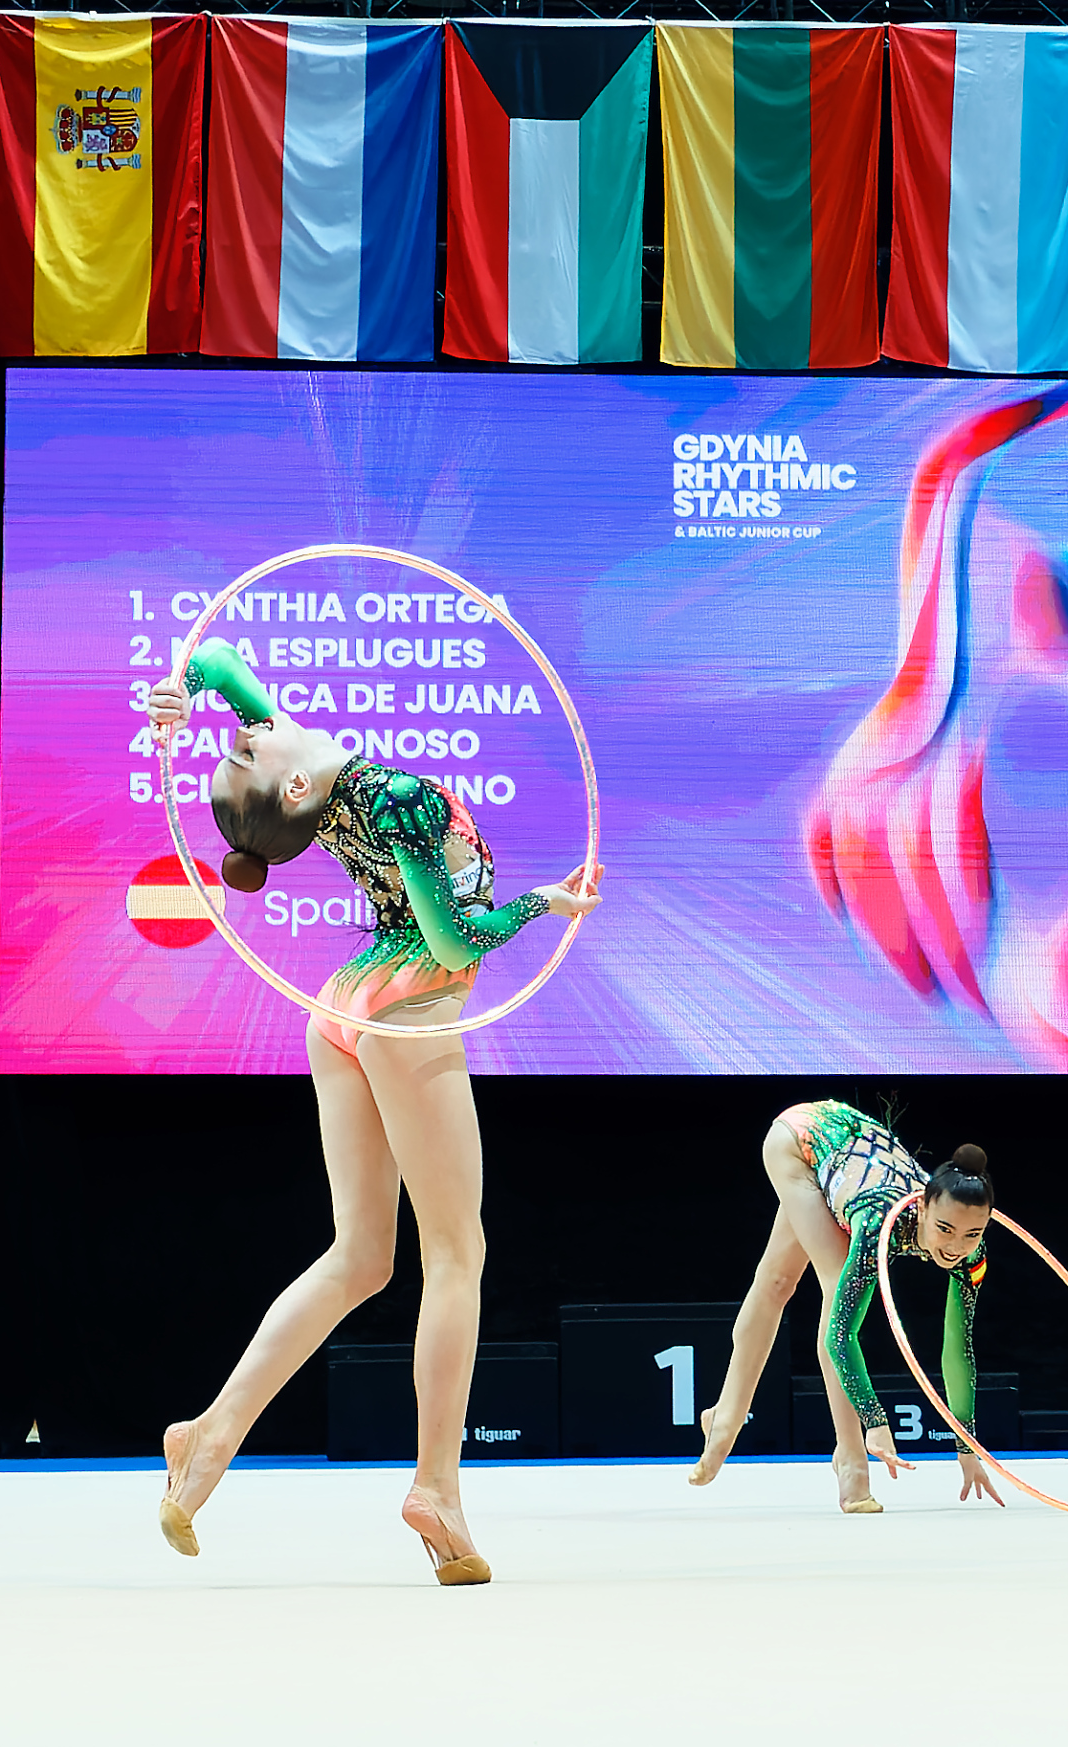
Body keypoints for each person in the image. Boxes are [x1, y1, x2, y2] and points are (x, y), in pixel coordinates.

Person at [149, 639, 601, 1585]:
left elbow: (221, 660)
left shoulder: (302, 768)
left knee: (359, 1256)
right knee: (457, 1253)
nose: (247, 729)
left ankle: (208, 1436)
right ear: (292, 787)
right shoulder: (392, 798)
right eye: (242, 746)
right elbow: (454, 939)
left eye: (237, 739)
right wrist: (542, 903)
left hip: (347, 1005)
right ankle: (437, 1487)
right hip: (409, 1011)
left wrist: (179, 692)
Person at [687, 1103, 1003, 1513]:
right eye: (945, 1229)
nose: (956, 1246)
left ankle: (723, 1415)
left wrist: (967, 1447)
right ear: (924, 1208)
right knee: (836, 1285)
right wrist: (875, 1421)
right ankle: (850, 1459)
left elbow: (956, 1350)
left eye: (972, 1233)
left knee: (778, 1280)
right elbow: (840, 1337)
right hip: (799, 1140)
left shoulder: (971, 1255)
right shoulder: (878, 1221)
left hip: (843, 1159)